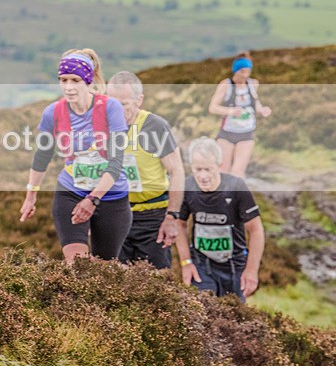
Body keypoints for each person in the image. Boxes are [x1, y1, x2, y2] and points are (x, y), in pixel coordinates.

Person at [20, 50, 132, 262]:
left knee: (103, 268)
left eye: (75, 80)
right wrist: (30, 197)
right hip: (71, 191)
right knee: (76, 263)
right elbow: (42, 156)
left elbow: (116, 163)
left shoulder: (110, 108)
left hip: (111, 196)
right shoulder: (52, 112)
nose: (68, 86)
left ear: (88, 81)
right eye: (63, 80)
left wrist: (93, 199)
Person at [107, 71, 184, 270]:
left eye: (123, 104)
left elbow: (177, 171)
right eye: (111, 103)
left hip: (152, 219)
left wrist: (172, 217)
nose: (115, 110)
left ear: (138, 100)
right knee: (114, 283)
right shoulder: (102, 127)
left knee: (156, 285)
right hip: (114, 214)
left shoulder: (155, 127)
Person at [174, 137, 265, 302]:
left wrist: (251, 270)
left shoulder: (236, 187)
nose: (203, 176)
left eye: (208, 169)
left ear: (219, 165)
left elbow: (256, 229)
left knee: (234, 319)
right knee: (202, 312)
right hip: (202, 265)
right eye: (197, 169)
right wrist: (186, 262)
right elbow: (179, 224)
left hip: (234, 266)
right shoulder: (187, 186)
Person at [208, 53, 272, 178]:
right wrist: (230, 111)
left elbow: (255, 103)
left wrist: (262, 110)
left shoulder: (253, 84)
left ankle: (235, 197)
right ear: (235, 70)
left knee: (238, 173)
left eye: (248, 71)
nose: (245, 75)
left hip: (247, 133)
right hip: (227, 133)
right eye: (242, 71)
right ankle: (221, 197)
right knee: (223, 171)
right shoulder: (226, 85)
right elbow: (212, 108)